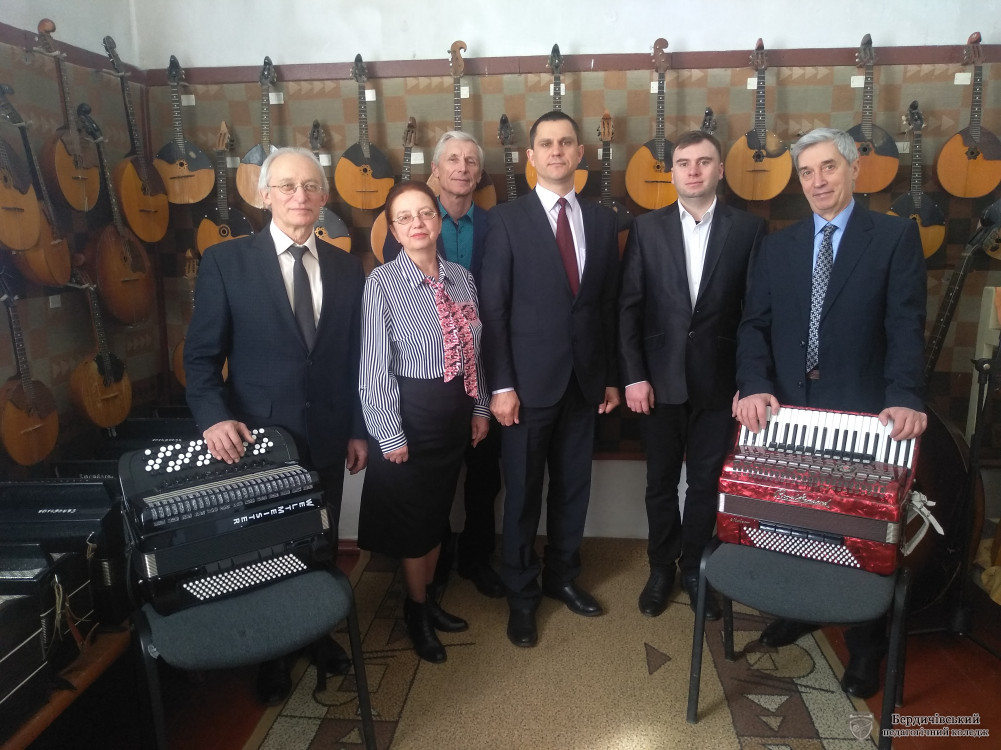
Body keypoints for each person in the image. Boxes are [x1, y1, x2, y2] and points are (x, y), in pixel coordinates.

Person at [734, 127, 927, 699]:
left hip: (865, 414)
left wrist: (904, 394)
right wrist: (753, 385)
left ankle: (866, 645)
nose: (817, 181)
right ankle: (800, 609)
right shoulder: (779, 245)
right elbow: (754, 326)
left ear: (853, 170)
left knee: (858, 529)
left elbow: (905, 326)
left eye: (828, 168)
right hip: (789, 412)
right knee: (793, 521)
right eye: (807, 172)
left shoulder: (893, 237)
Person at [184, 147, 368, 705]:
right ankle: (271, 651)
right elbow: (200, 359)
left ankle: (316, 632)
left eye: (310, 186)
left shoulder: (345, 266)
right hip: (259, 440)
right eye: (286, 186)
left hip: (329, 433)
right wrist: (214, 419)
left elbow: (354, 358)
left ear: (325, 196)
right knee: (265, 550)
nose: (299, 196)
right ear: (264, 195)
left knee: (320, 540)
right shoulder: (226, 262)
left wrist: (357, 428)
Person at [480, 111, 620, 648]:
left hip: (584, 385)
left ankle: (563, 575)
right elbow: (494, 311)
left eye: (565, 142)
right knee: (522, 495)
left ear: (580, 153)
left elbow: (605, 307)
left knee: (572, 489)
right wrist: (501, 386)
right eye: (546, 143)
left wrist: (610, 377)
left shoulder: (603, 221)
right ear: (530, 157)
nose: (556, 151)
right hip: (525, 389)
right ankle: (522, 594)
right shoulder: (505, 221)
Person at [619, 130, 765, 621]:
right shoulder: (646, 228)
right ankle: (661, 567)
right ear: (673, 172)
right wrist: (633, 376)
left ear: (720, 170)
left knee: (705, 483)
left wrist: (750, 381)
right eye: (684, 163)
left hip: (720, 384)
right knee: (660, 483)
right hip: (657, 383)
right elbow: (629, 308)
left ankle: (696, 566)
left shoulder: (749, 229)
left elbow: (755, 312)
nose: (694, 171)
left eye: (704, 162)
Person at [358, 181, 492, 663]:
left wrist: (479, 408)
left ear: (438, 220)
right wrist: (388, 431)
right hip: (411, 418)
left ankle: (428, 599)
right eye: (404, 217)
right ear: (393, 230)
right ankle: (415, 610)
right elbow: (374, 366)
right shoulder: (382, 283)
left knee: (436, 514)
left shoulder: (462, 278)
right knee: (414, 523)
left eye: (425, 213)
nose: (417, 223)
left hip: (455, 414)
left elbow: (476, 352)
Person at [382, 131, 505, 599]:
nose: (462, 167)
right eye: (452, 159)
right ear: (435, 170)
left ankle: (476, 558)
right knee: (430, 490)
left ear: (480, 172)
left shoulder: (497, 225)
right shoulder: (409, 227)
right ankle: (430, 577)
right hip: (423, 385)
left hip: (483, 369)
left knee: (484, 477)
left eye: (471, 160)